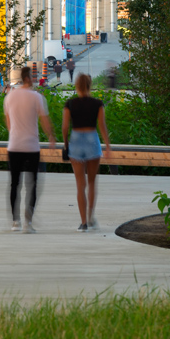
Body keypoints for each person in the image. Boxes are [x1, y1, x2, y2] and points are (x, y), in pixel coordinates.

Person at [3, 66, 56, 233]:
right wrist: (51, 137)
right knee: (32, 184)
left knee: (14, 184)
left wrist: (14, 133)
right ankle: (28, 223)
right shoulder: (37, 97)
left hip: (14, 145)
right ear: (29, 78)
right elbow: (44, 121)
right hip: (32, 146)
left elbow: (9, 122)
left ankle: (15, 222)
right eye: (33, 76)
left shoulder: (10, 97)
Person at [62, 72, 111, 231]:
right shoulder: (98, 104)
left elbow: (64, 127)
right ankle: (90, 217)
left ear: (76, 86)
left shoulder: (69, 104)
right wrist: (108, 146)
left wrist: (66, 143)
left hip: (75, 140)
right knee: (91, 182)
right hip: (92, 138)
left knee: (79, 185)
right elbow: (102, 126)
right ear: (89, 85)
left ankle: (83, 223)